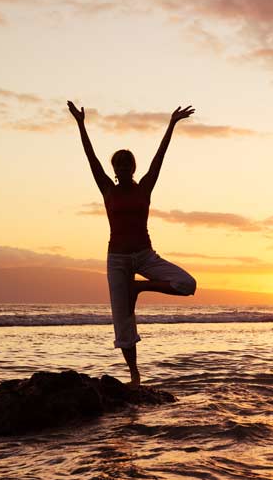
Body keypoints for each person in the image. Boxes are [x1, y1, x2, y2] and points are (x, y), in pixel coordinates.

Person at [68, 100, 197, 387]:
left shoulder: (145, 187)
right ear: (114, 168)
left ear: (133, 167)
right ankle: (135, 375)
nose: (123, 168)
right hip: (117, 260)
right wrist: (80, 124)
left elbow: (159, 158)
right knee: (123, 322)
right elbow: (91, 158)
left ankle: (139, 287)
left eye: (128, 164)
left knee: (187, 284)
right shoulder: (107, 189)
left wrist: (172, 124)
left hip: (145, 255)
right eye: (119, 164)